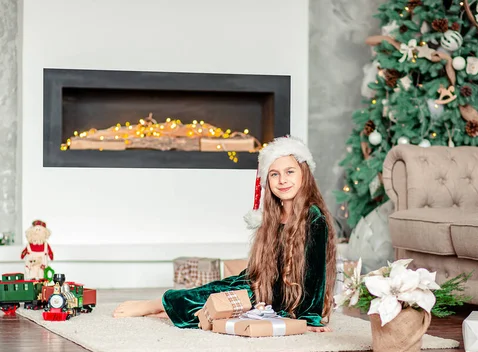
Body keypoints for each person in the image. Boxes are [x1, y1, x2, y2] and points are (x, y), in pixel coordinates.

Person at [113, 136, 337, 332]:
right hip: (262, 289)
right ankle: (162, 306)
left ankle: (158, 305)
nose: (282, 180)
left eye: (290, 172)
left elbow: (315, 275)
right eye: (274, 174)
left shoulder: (313, 217)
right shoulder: (271, 217)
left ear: (304, 174)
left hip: (284, 300)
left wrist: (310, 318)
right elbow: (260, 271)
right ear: (267, 181)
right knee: (216, 292)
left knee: (222, 302)